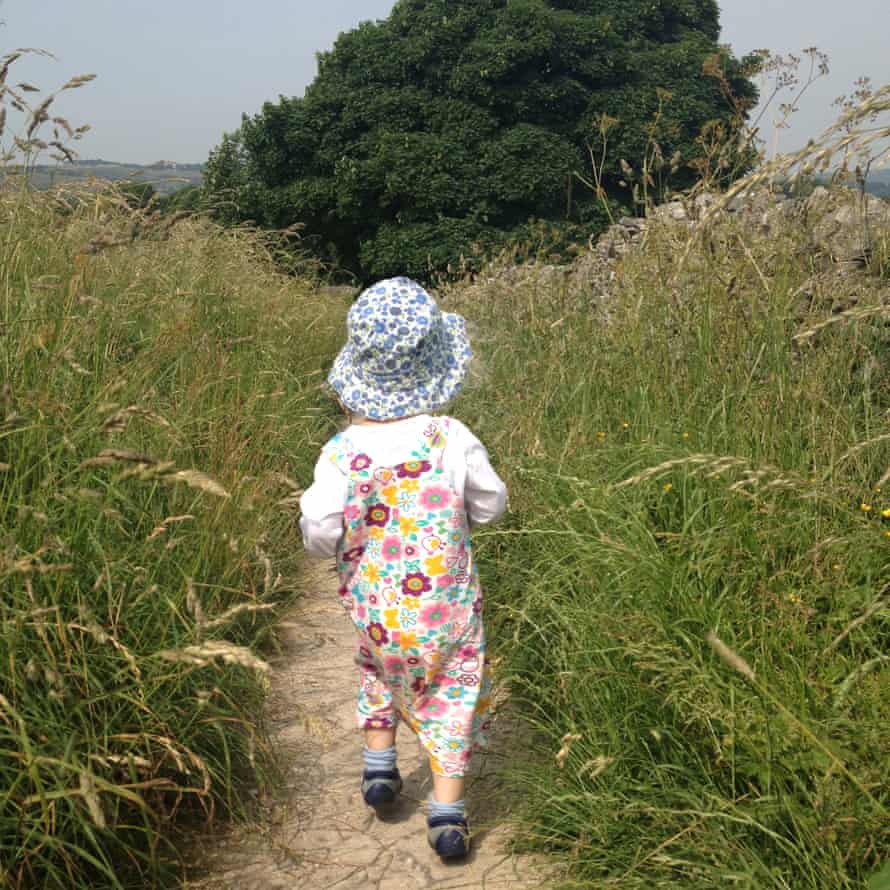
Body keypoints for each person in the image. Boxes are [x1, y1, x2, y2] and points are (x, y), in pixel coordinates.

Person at [299, 277, 507, 859]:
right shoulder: (452, 437)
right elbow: (491, 505)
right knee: (451, 693)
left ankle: (379, 767)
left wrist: (337, 545)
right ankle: (447, 815)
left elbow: (319, 528)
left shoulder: (342, 450)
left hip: (377, 611)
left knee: (378, 667)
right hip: (447, 609)